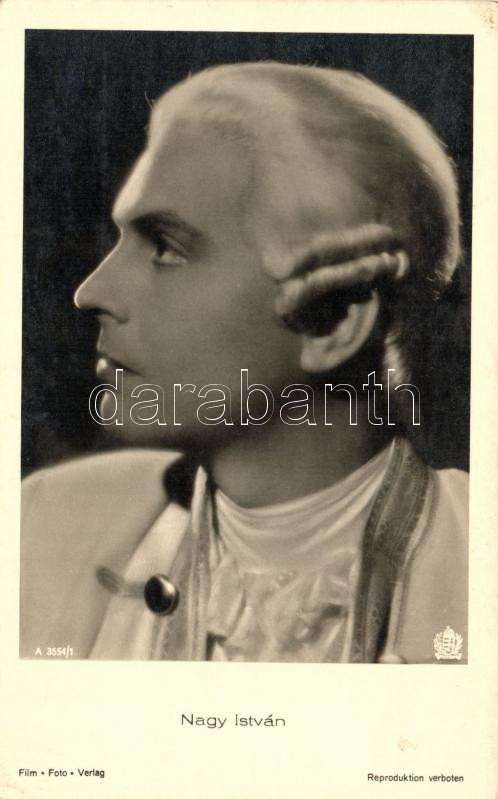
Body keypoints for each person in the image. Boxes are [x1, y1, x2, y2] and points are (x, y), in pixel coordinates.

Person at [20, 62, 468, 663]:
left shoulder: (476, 559)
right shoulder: (45, 524)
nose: (92, 292)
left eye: (166, 247)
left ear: (334, 320)